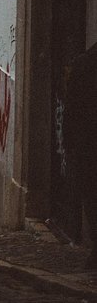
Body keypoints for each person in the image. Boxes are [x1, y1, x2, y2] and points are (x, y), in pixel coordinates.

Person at [65, 42, 97, 269]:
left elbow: (71, 108)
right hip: (87, 143)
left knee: (92, 197)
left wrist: (69, 144)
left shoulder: (83, 63)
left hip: (88, 145)